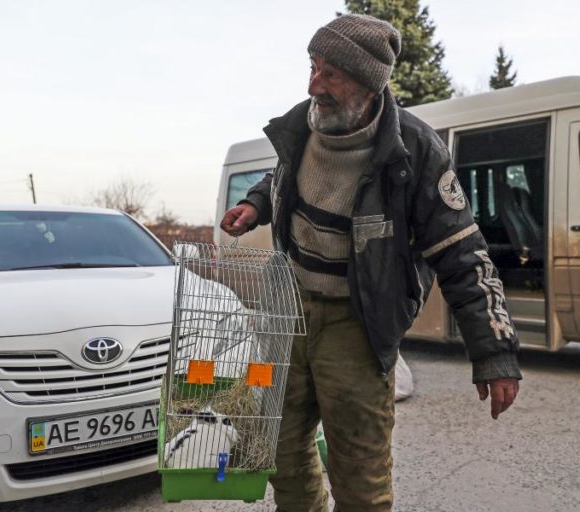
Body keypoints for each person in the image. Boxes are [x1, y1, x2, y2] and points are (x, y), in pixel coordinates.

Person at [220, 13, 521, 512]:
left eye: (331, 74)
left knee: (360, 474)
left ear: (368, 84)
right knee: (277, 447)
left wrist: (495, 353)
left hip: (356, 322)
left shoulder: (417, 152)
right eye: (313, 67)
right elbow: (283, 177)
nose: (315, 84)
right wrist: (256, 204)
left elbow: (463, 255)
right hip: (288, 314)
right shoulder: (303, 123)